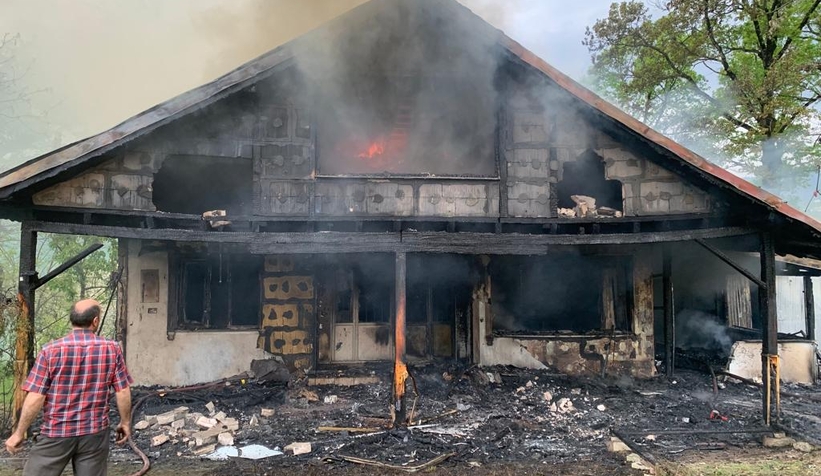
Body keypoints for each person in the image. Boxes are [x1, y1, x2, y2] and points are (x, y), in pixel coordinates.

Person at [4, 299, 133, 476]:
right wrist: (125, 422)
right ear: (95, 321)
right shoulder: (112, 349)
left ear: (72, 319)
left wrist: (19, 433)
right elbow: (123, 390)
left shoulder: (50, 351)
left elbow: (36, 396)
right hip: (94, 434)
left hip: (57, 432)